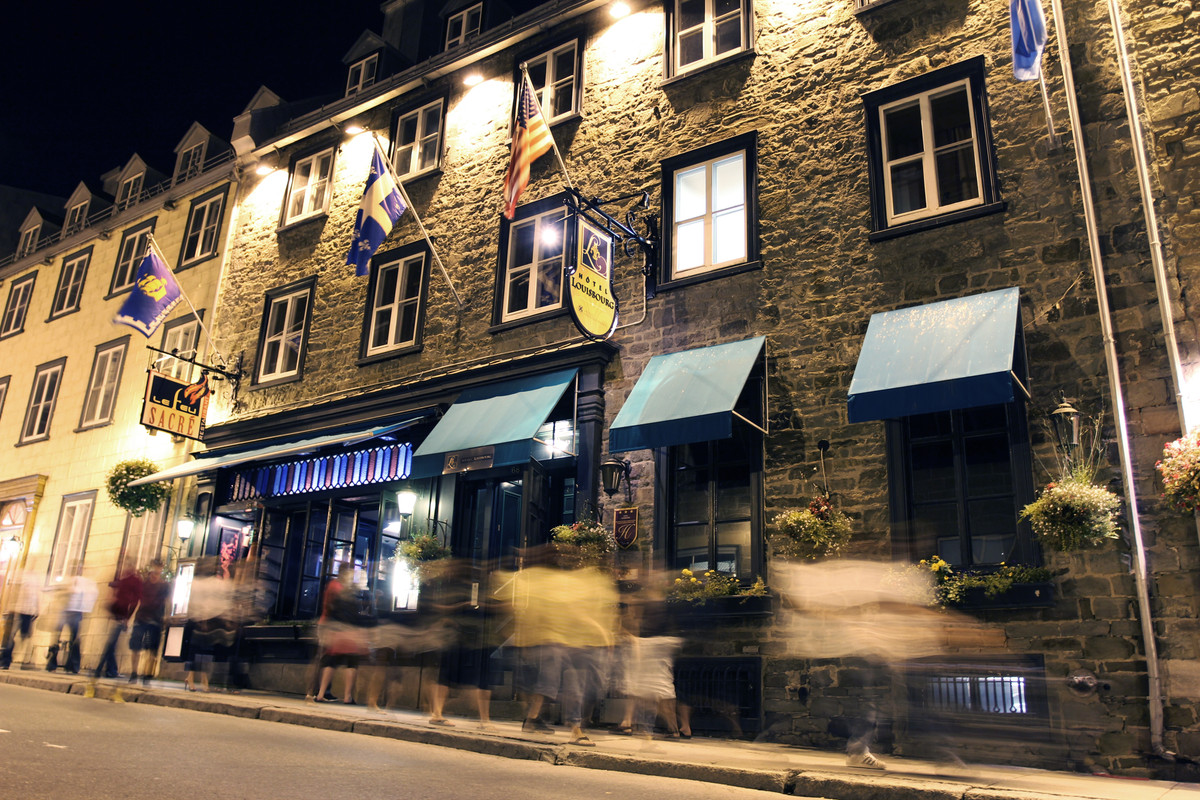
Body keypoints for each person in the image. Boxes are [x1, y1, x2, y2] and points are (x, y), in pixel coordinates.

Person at [315, 564, 372, 704]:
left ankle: (321, 693)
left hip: (336, 631)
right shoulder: (351, 592)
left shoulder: (336, 589)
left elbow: (331, 610)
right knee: (352, 663)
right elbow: (357, 615)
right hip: (350, 631)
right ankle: (347, 696)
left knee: (331, 661)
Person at [93, 566, 143, 680]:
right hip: (120, 616)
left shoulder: (125, 582)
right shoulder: (132, 582)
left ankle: (106, 670)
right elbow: (134, 601)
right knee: (111, 644)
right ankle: (104, 670)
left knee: (111, 644)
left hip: (117, 615)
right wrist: (126, 619)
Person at [46, 570, 98, 673]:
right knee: (66, 638)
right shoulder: (68, 582)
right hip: (68, 612)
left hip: (73, 612)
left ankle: (70, 665)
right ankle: (59, 664)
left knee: (72, 639)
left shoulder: (83, 583)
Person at [128, 561, 169, 686]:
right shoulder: (143, 585)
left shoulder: (164, 586)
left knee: (151, 649)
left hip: (155, 619)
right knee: (136, 646)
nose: (155, 575)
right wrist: (129, 616)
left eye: (157, 573)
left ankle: (147, 674)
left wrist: (166, 617)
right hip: (141, 618)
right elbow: (136, 601)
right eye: (153, 573)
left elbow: (167, 601)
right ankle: (134, 673)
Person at [0, 569, 41, 669]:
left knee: (20, 636)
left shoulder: (27, 581)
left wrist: (36, 609)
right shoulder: (23, 581)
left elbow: (35, 597)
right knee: (15, 637)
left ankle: (8, 660)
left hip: (24, 612)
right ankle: (6, 660)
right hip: (20, 611)